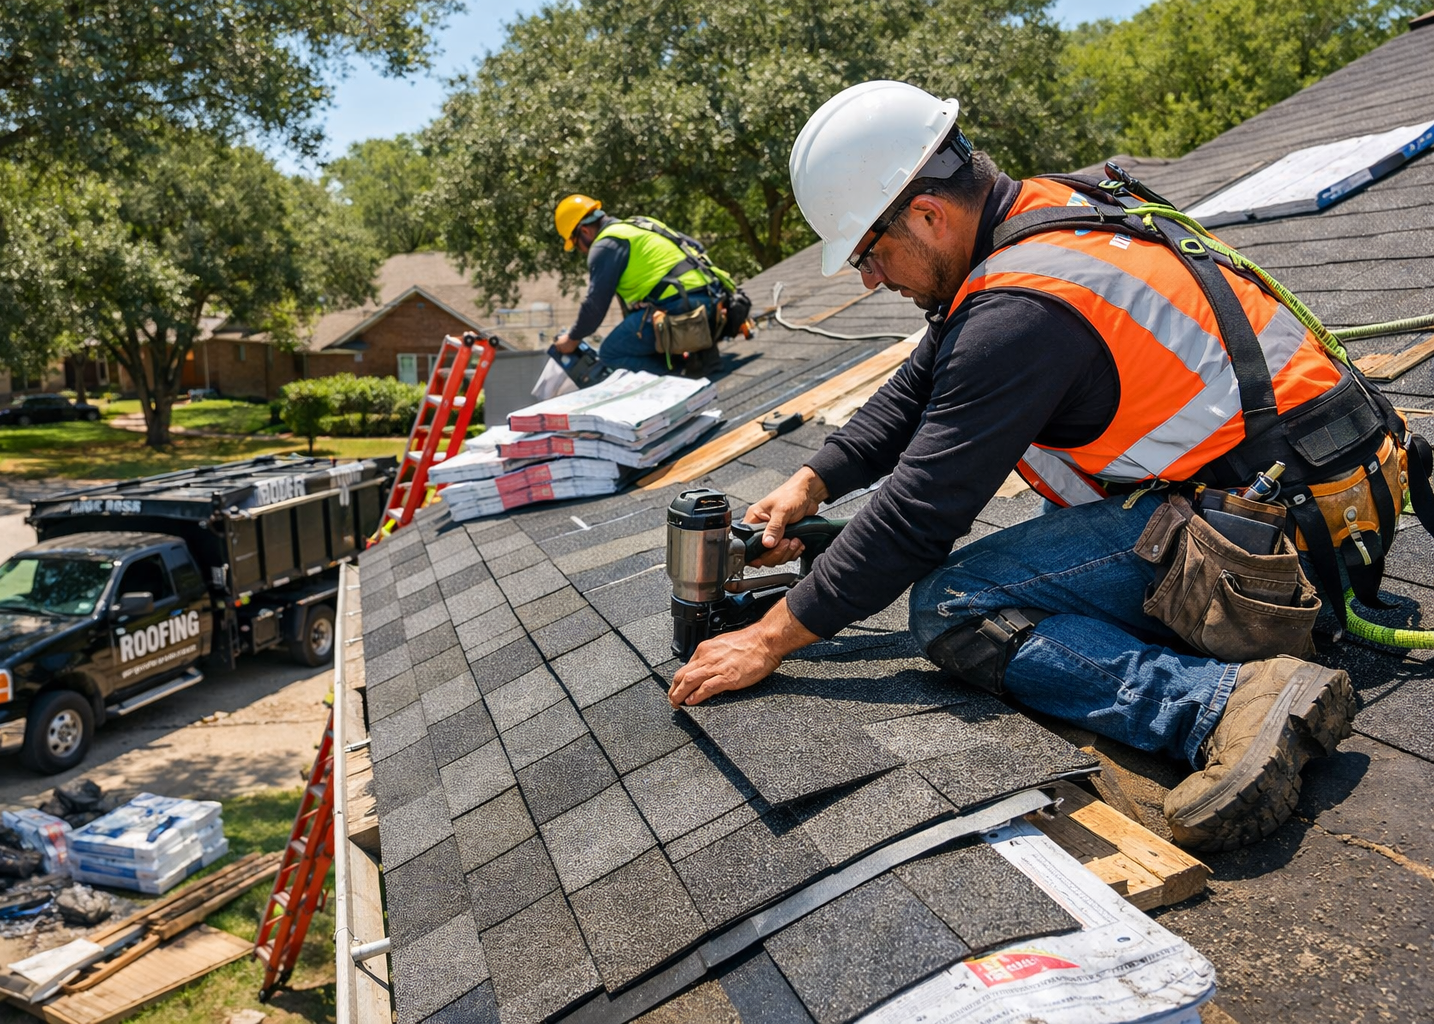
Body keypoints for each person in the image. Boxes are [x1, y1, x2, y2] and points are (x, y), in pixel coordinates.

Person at [666, 81, 1425, 851]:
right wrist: (813, 480)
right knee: (1018, 562)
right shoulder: (1046, 212)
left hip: (1275, 557)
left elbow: (918, 518)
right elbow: (919, 384)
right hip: (1325, 492)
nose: (869, 279)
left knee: (953, 603)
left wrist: (767, 638)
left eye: (869, 252)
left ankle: (1225, 703)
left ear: (927, 214)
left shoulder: (1019, 313)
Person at [552, 195, 738, 374]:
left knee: (610, 353)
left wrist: (572, 339)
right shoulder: (639, 224)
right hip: (715, 302)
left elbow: (595, 306)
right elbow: (696, 247)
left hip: (686, 312)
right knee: (640, 320)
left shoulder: (604, 246)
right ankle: (696, 358)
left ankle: (679, 376)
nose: (582, 250)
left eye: (576, 244)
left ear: (584, 231)